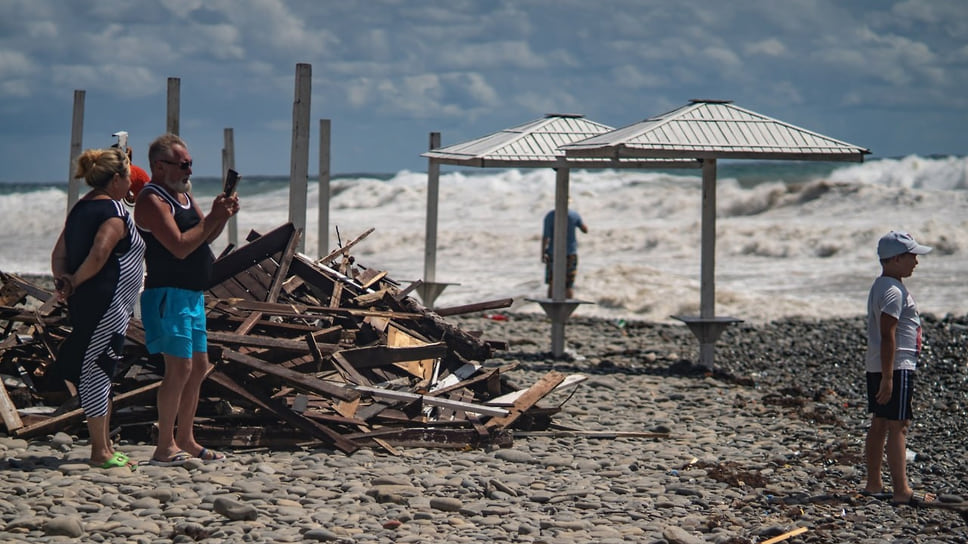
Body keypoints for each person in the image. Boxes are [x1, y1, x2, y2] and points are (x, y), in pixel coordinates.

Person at [134, 133, 239, 466]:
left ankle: (186, 439)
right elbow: (179, 246)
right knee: (178, 369)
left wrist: (221, 217)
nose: (189, 171)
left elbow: (204, 236)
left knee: (198, 369)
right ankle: (164, 447)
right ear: (160, 166)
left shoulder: (182, 195)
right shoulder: (152, 199)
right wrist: (211, 219)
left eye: (190, 164)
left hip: (192, 295)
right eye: (183, 164)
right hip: (168, 295)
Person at [51, 147, 145, 470]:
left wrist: (63, 280)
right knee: (99, 371)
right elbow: (100, 253)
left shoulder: (80, 208)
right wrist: (74, 281)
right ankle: (99, 452)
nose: (130, 183)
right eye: (128, 176)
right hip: (107, 304)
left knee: (98, 368)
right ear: (116, 179)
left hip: (91, 302)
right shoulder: (113, 212)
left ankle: (104, 445)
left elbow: (58, 253)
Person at [863, 231, 936, 506]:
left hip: (880, 365)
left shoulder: (881, 285)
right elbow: (888, 334)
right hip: (896, 366)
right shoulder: (893, 291)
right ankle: (902, 490)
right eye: (912, 256)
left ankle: (873, 484)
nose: (916, 262)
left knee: (880, 423)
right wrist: (889, 377)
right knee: (898, 426)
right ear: (895, 259)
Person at [541, 207, 588, 298]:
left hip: (553, 253)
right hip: (570, 253)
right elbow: (585, 230)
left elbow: (545, 237)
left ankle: (550, 309)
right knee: (568, 284)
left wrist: (542, 254)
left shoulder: (550, 216)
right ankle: (568, 310)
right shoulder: (574, 215)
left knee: (552, 283)